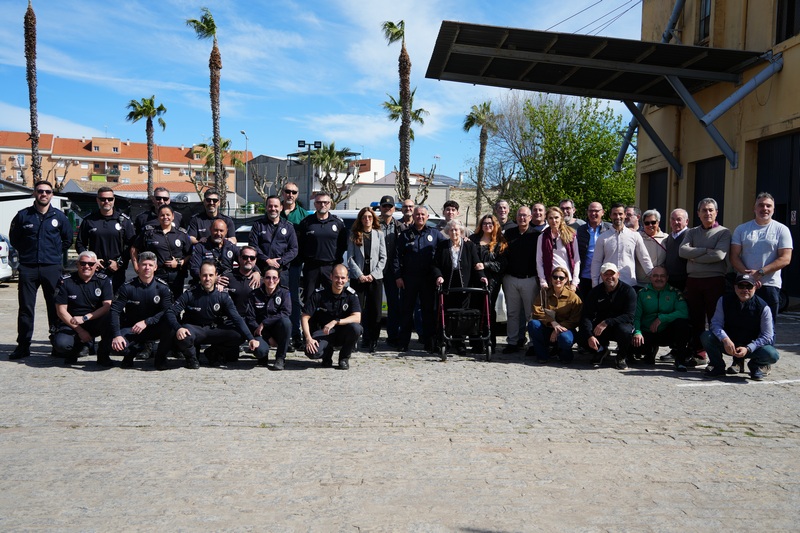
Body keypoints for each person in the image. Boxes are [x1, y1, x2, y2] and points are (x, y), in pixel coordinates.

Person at [8, 180, 73, 360]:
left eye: (47, 191)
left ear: (52, 194)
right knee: (26, 308)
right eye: (40, 191)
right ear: (35, 193)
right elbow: (15, 239)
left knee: (55, 307)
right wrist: (28, 253)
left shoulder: (59, 217)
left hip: (51, 268)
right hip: (28, 268)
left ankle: (56, 344)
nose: (44, 194)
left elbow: (67, 240)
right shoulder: (23, 216)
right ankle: (23, 345)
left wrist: (52, 254)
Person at [166, 261, 258, 369]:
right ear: (199, 275)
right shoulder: (190, 294)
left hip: (214, 329)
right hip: (195, 330)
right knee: (183, 336)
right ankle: (191, 358)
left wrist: (250, 338)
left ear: (216, 276)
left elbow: (236, 318)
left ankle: (213, 352)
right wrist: (178, 328)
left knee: (238, 335)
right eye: (204, 275)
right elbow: (170, 312)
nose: (207, 278)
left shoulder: (223, 296)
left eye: (210, 275)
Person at [679, 198, 730, 367]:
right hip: (694, 282)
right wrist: (707, 251)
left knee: (715, 320)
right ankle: (699, 354)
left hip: (715, 281)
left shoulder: (724, 232)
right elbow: (682, 251)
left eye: (710, 210)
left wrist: (695, 256)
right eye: (704, 210)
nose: (707, 213)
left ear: (716, 212)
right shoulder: (692, 232)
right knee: (696, 320)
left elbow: (719, 256)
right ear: (698, 213)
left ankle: (716, 358)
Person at [730, 192, 793, 326]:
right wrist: (749, 277)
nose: (765, 208)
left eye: (768, 206)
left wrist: (760, 273)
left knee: (767, 327)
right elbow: (734, 256)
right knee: (743, 325)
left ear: (773, 209)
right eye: (761, 205)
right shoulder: (741, 229)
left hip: (770, 286)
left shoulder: (782, 230)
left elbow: (785, 258)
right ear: (754, 208)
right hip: (744, 285)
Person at [702, 274, 779, 380]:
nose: (745, 290)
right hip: (729, 344)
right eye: (741, 286)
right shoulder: (723, 300)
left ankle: (755, 366)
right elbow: (715, 324)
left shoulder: (763, 307)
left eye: (749, 287)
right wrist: (725, 340)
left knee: (772, 354)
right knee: (706, 336)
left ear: (755, 287)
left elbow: (767, 335)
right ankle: (718, 366)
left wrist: (748, 348)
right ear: (735, 287)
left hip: (752, 346)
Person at [394, 205, 447, 352]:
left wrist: (463, 240)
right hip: (409, 279)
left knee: (428, 312)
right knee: (406, 311)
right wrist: (398, 276)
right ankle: (403, 343)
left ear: (427, 217)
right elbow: (397, 257)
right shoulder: (405, 234)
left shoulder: (435, 234)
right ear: (413, 216)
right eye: (417, 214)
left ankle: (430, 343)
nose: (420, 217)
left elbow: (448, 246)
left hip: (428, 280)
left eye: (423, 214)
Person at [109, 251, 174, 369]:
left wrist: (147, 322)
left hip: (154, 327)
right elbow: (115, 310)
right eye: (144, 264)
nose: (147, 268)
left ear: (155, 267)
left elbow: (167, 311)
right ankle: (129, 355)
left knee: (171, 326)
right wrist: (116, 335)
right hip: (132, 328)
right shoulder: (127, 287)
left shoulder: (162, 288)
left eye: (150, 265)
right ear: (138, 267)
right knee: (117, 346)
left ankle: (160, 358)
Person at [433, 219, 487, 355]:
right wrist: (438, 276)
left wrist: (482, 276)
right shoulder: (443, 246)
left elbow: (476, 263)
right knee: (447, 313)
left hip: (465, 283)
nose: (454, 232)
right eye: (451, 230)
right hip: (448, 283)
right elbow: (435, 265)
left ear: (461, 231)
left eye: (457, 230)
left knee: (462, 314)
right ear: (448, 232)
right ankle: (445, 341)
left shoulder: (469, 246)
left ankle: (460, 343)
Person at [53, 251, 113, 366]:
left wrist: (85, 318)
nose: (86, 266)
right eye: (83, 263)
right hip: (72, 322)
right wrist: (80, 331)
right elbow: (61, 311)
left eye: (91, 264)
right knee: (62, 344)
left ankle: (103, 354)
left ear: (96, 266)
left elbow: (107, 306)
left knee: (112, 318)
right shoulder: (65, 281)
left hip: (94, 320)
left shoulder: (103, 280)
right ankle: (75, 350)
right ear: (77, 264)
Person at [302, 264, 362, 370]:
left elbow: (357, 317)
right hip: (324, 333)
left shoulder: (351, 295)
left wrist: (336, 321)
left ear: (347, 279)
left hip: (342, 332)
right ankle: (327, 355)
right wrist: (308, 339)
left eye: (343, 278)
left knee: (356, 328)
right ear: (331, 277)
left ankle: (344, 358)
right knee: (312, 352)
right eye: (337, 277)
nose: (340, 281)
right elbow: (305, 317)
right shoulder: (319, 294)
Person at [579, 262, 637, 370]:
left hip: (620, 325)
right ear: (601, 276)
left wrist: (607, 322)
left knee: (625, 331)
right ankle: (601, 350)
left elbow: (629, 316)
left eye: (612, 274)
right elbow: (587, 315)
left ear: (618, 274)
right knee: (582, 335)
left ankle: (621, 356)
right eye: (606, 274)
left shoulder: (628, 291)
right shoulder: (595, 292)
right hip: (601, 328)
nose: (609, 277)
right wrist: (589, 335)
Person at [75, 187, 136, 290]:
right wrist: (92, 261)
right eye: (103, 199)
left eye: (110, 199)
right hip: (95, 269)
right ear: (97, 200)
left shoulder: (123, 221)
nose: (106, 202)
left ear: (114, 200)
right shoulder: (89, 220)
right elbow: (80, 244)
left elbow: (132, 245)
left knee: (116, 303)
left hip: (117, 270)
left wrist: (119, 263)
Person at [631, 266, 691, 368]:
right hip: (647, 332)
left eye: (662, 276)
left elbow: (684, 312)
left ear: (667, 277)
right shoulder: (642, 293)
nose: (659, 278)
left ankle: (680, 360)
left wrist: (662, 318)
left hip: (666, 332)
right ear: (650, 277)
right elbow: (636, 316)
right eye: (655, 276)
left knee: (683, 324)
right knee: (631, 346)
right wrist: (637, 331)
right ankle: (650, 351)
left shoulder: (675, 293)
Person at [501, 206, 541, 353]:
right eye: (519, 215)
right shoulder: (508, 234)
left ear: (530, 218)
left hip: (529, 279)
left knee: (531, 314)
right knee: (512, 313)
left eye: (525, 215)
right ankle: (512, 342)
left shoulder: (536, 236)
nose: (522, 218)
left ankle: (532, 344)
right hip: (510, 279)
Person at [130, 204, 192, 298]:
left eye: (168, 215)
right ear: (158, 217)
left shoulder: (181, 234)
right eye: (162, 215)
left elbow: (190, 253)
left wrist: (180, 262)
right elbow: (134, 248)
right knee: (156, 303)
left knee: (175, 304)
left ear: (173, 216)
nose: (165, 217)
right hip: (156, 275)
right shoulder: (149, 232)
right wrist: (136, 266)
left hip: (176, 276)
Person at [347, 207, 387, 353]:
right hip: (359, 278)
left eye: (370, 217)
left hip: (375, 278)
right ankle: (356, 339)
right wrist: (360, 275)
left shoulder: (379, 234)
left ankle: (373, 339)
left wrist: (373, 275)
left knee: (375, 310)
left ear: (373, 219)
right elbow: (350, 258)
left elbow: (383, 257)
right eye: (364, 217)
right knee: (357, 310)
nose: (367, 220)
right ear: (360, 219)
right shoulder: (354, 234)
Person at [527, 265, 582, 364]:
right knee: (533, 324)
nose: (558, 280)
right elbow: (536, 311)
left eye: (561, 278)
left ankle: (565, 355)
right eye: (555, 277)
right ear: (551, 279)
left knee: (565, 339)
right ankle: (542, 355)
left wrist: (558, 329)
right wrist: (552, 322)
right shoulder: (543, 293)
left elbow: (576, 319)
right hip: (547, 327)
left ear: (566, 280)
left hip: (565, 329)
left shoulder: (573, 297)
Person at [297, 192, 347, 300]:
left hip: (331, 267)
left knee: (332, 299)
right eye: (319, 202)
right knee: (309, 299)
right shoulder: (306, 222)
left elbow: (343, 244)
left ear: (330, 204)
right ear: (315, 204)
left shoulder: (338, 223)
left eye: (325, 202)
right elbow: (300, 244)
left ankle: (330, 318)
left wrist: (337, 261)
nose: (322, 205)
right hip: (311, 267)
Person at [591, 203, 653, 289]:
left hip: (628, 283)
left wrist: (653, 277)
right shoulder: (602, 238)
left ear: (625, 215)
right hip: (607, 283)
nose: (617, 217)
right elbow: (596, 262)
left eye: (620, 214)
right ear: (610, 216)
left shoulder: (635, 236)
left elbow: (644, 258)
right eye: (614, 214)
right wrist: (595, 284)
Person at [469, 214, 507, 349]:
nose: (487, 225)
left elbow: (501, 265)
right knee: (474, 310)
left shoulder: (500, 242)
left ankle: (489, 341)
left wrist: (485, 265)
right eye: (485, 223)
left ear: (495, 225)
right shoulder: (473, 239)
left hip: (492, 281)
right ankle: (475, 342)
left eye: (490, 223)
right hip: (473, 280)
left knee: (488, 309)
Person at [280, 181, 308, 350]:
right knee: (278, 299)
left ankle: (296, 335)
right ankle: (280, 335)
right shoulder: (275, 211)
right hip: (276, 265)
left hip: (295, 265)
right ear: (283, 193)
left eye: (294, 192)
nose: (290, 194)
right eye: (287, 191)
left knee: (294, 300)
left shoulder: (304, 215)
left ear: (297, 195)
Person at [246, 267, 292, 370]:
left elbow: (286, 312)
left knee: (286, 323)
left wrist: (265, 322)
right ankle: (263, 356)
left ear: (279, 280)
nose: (271, 281)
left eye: (274, 278)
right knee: (260, 351)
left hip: (277, 330)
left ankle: (280, 358)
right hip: (261, 332)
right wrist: (267, 336)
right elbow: (250, 318)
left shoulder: (284, 293)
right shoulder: (254, 295)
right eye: (268, 278)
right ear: (263, 279)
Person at [248, 195, 298, 288]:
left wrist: (280, 262)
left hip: (281, 272)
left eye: (276, 206)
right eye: (270, 206)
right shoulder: (258, 225)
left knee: (281, 300)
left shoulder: (288, 227)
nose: (273, 209)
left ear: (281, 207)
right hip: (261, 271)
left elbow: (294, 249)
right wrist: (267, 260)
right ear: (266, 207)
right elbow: (253, 246)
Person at [379, 195, 406, 348]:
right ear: (381, 208)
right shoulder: (374, 224)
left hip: (393, 271)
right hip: (376, 269)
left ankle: (392, 336)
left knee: (393, 305)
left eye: (390, 206)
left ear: (394, 209)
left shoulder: (400, 226)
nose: (387, 209)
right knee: (373, 305)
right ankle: (370, 337)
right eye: (384, 206)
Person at [537, 206, 580, 293]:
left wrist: (574, 283)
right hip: (551, 280)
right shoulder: (542, 237)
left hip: (567, 280)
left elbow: (576, 260)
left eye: (556, 217)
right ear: (547, 219)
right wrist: (543, 281)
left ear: (561, 218)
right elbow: (539, 261)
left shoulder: (571, 235)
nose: (554, 221)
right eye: (551, 218)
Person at [576, 202, 611, 301]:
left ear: (603, 212)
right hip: (585, 276)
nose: (593, 213)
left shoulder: (610, 229)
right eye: (591, 211)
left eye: (596, 211)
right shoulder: (581, 230)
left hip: (604, 275)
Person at [635, 209, 668, 287]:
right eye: (647, 223)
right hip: (640, 281)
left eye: (653, 222)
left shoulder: (666, 238)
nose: (650, 225)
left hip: (660, 282)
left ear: (658, 222)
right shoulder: (637, 237)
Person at [663, 208, 690, 292]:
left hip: (684, 281)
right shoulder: (669, 237)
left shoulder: (690, 235)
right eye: (673, 219)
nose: (675, 222)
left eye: (679, 219)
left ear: (686, 221)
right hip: (670, 281)